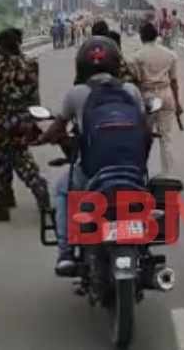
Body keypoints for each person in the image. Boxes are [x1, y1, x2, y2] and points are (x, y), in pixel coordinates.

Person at [36, 37, 147, 273]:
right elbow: (145, 125)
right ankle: (143, 248)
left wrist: (42, 139)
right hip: (132, 171)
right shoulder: (131, 90)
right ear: (117, 64)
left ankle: (65, 253)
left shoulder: (76, 93)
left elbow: (57, 128)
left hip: (93, 173)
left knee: (63, 190)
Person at [0, 28, 51, 222]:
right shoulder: (31, 64)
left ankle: (1, 206)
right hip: (22, 121)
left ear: (3, 47)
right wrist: (35, 121)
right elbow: (35, 96)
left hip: (0, 122)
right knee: (22, 158)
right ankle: (40, 191)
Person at [131, 22, 183, 175]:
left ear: (142, 37)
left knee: (144, 137)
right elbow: (174, 81)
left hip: (148, 97)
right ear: (156, 36)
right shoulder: (170, 54)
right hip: (166, 94)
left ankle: (141, 172)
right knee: (166, 137)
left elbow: (137, 80)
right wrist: (177, 103)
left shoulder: (137, 56)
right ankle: (169, 174)